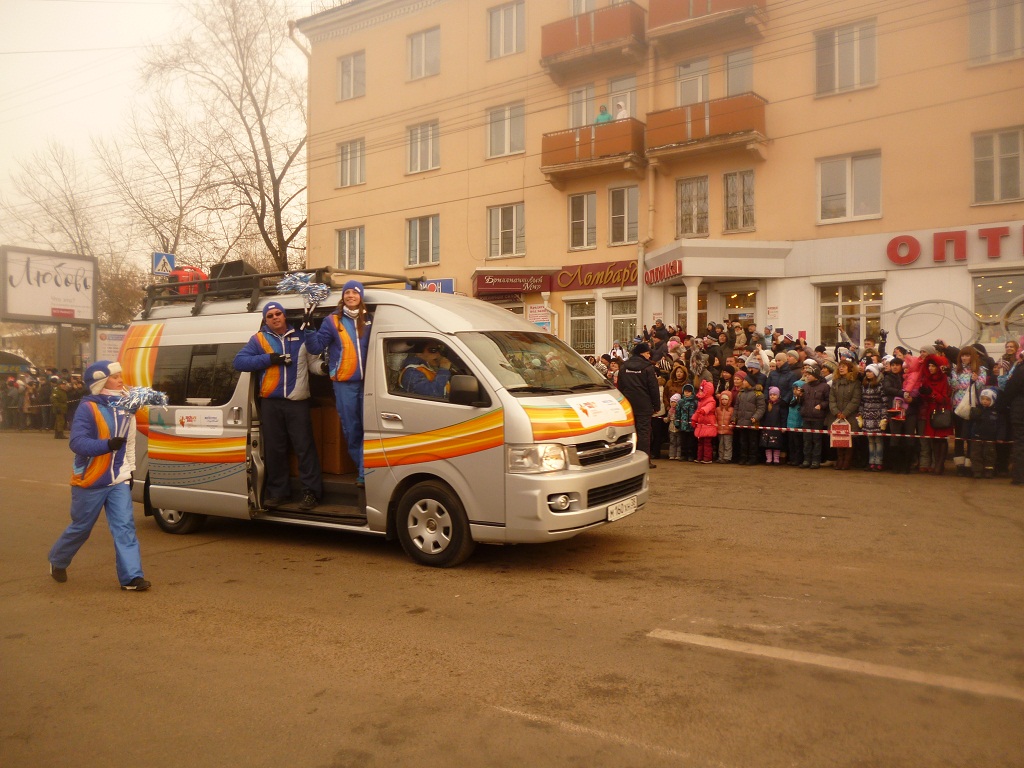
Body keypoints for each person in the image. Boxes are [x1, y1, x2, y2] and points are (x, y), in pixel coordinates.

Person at [47, 361, 150, 591]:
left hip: (118, 480)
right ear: (102, 382)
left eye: (120, 375)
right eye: (115, 377)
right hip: (91, 479)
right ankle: (58, 560)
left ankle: (131, 578)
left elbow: (130, 442)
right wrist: (106, 445)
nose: (121, 379)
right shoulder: (88, 408)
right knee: (82, 527)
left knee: (125, 527)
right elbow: (77, 443)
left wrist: (129, 471)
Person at [234, 301, 324, 509]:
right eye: (270, 316)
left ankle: (311, 493)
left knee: (305, 448)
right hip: (270, 403)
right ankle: (279, 492)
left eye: (278, 314)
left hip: (297, 403)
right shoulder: (259, 339)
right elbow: (239, 362)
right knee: (275, 450)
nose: (275, 318)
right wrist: (270, 359)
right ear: (265, 320)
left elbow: (313, 365)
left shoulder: (301, 337)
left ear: (285, 316)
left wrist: (326, 368)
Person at [306, 280, 371, 487]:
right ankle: (362, 472)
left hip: (370, 383)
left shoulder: (369, 319)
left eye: (355, 292)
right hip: (344, 384)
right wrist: (309, 328)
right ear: (343, 297)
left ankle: (367, 470)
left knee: (370, 428)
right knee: (352, 429)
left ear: (361, 296)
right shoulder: (332, 321)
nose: (351, 295)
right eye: (347, 292)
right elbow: (316, 347)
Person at [617, 342, 660, 468]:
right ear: (642, 353)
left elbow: (620, 386)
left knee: (629, 432)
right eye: (648, 353)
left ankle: (628, 460)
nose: (649, 355)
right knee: (644, 433)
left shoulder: (624, 367)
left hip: (628, 405)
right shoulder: (647, 367)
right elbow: (653, 388)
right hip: (644, 405)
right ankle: (644, 460)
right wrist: (656, 405)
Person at [918, 354, 954, 474]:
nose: (930, 368)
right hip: (931, 411)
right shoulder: (927, 379)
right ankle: (937, 464)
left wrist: (931, 393)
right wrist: (923, 393)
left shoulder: (944, 379)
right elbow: (927, 397)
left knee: (942, 440)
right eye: (929, 366)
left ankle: (940, 464)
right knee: (934, 440)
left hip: (942, 411)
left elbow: (945, 399)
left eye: (933, 366)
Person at [968, 389, 1005, 479]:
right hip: (977, 437)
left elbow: (1001, 426)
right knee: (976, 454)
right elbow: (970, 423)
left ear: (993, 400)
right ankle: (977, 471)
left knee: (989, 455)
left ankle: (988, 471)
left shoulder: (997, 412)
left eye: (987, 399)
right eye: (983, 399)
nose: (984, 401)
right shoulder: (977, 410)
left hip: (990, 438)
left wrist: (1000, 437)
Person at [715, 390, 735, 463]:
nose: (724, 401)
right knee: (720, 445)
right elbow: (715, 418)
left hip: (728, 431)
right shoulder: (717, 409)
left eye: (726, 399)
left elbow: (733, 419)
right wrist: (716, 425)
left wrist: (731, 426)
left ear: (729, 400)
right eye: (722, 399)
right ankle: (721, 457)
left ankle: (727, 457)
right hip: (720, 430)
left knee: (727, 445)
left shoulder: (731, 410)